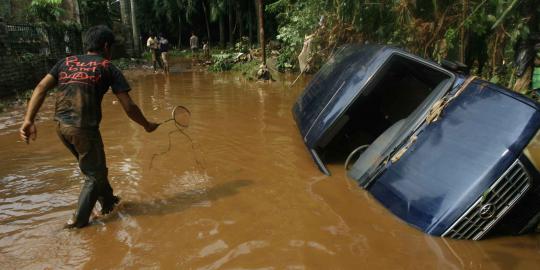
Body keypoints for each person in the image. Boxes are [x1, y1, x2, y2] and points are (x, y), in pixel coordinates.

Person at [19, 25, 159, 229]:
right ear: (105, 46)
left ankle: (109, 202)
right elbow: (129, 106)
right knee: (94, 175)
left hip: (61, 126)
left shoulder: (65, 62)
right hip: (83, 128)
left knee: (95, 167)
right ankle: (77, 224)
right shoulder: (108, 67)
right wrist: (147, 125)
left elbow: (41, 87)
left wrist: (28, 120)